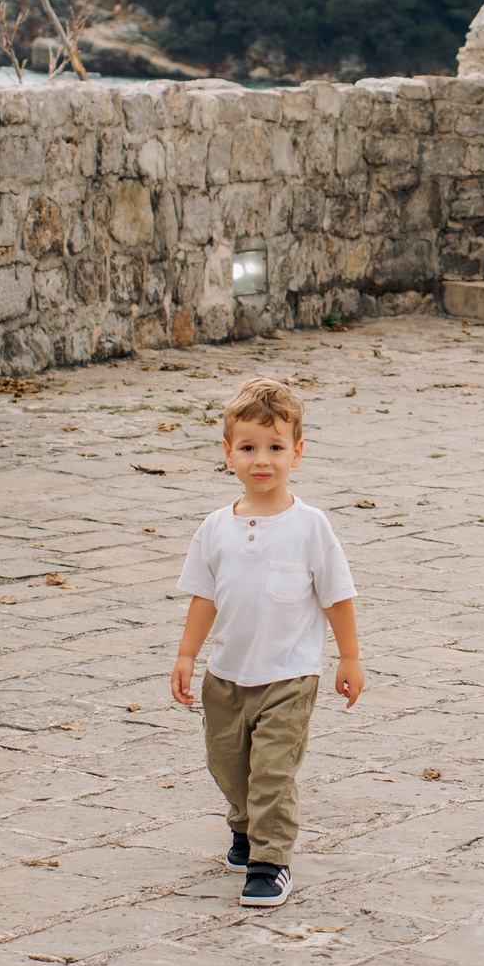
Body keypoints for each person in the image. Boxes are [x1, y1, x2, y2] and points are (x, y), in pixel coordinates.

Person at [169, 376, 362, 908]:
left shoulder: (310, 527)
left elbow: (337, 596)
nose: (262, 460)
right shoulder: (214, 528)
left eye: (275, 448)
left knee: (272, 769)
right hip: (226, 676)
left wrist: (349, 657)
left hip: (290, 675)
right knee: (228, 764)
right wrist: (188, 654)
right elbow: (203, 598)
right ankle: (244, 824)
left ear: (296, 452)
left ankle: (270, 861)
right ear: (228, 452)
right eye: (249, 447)